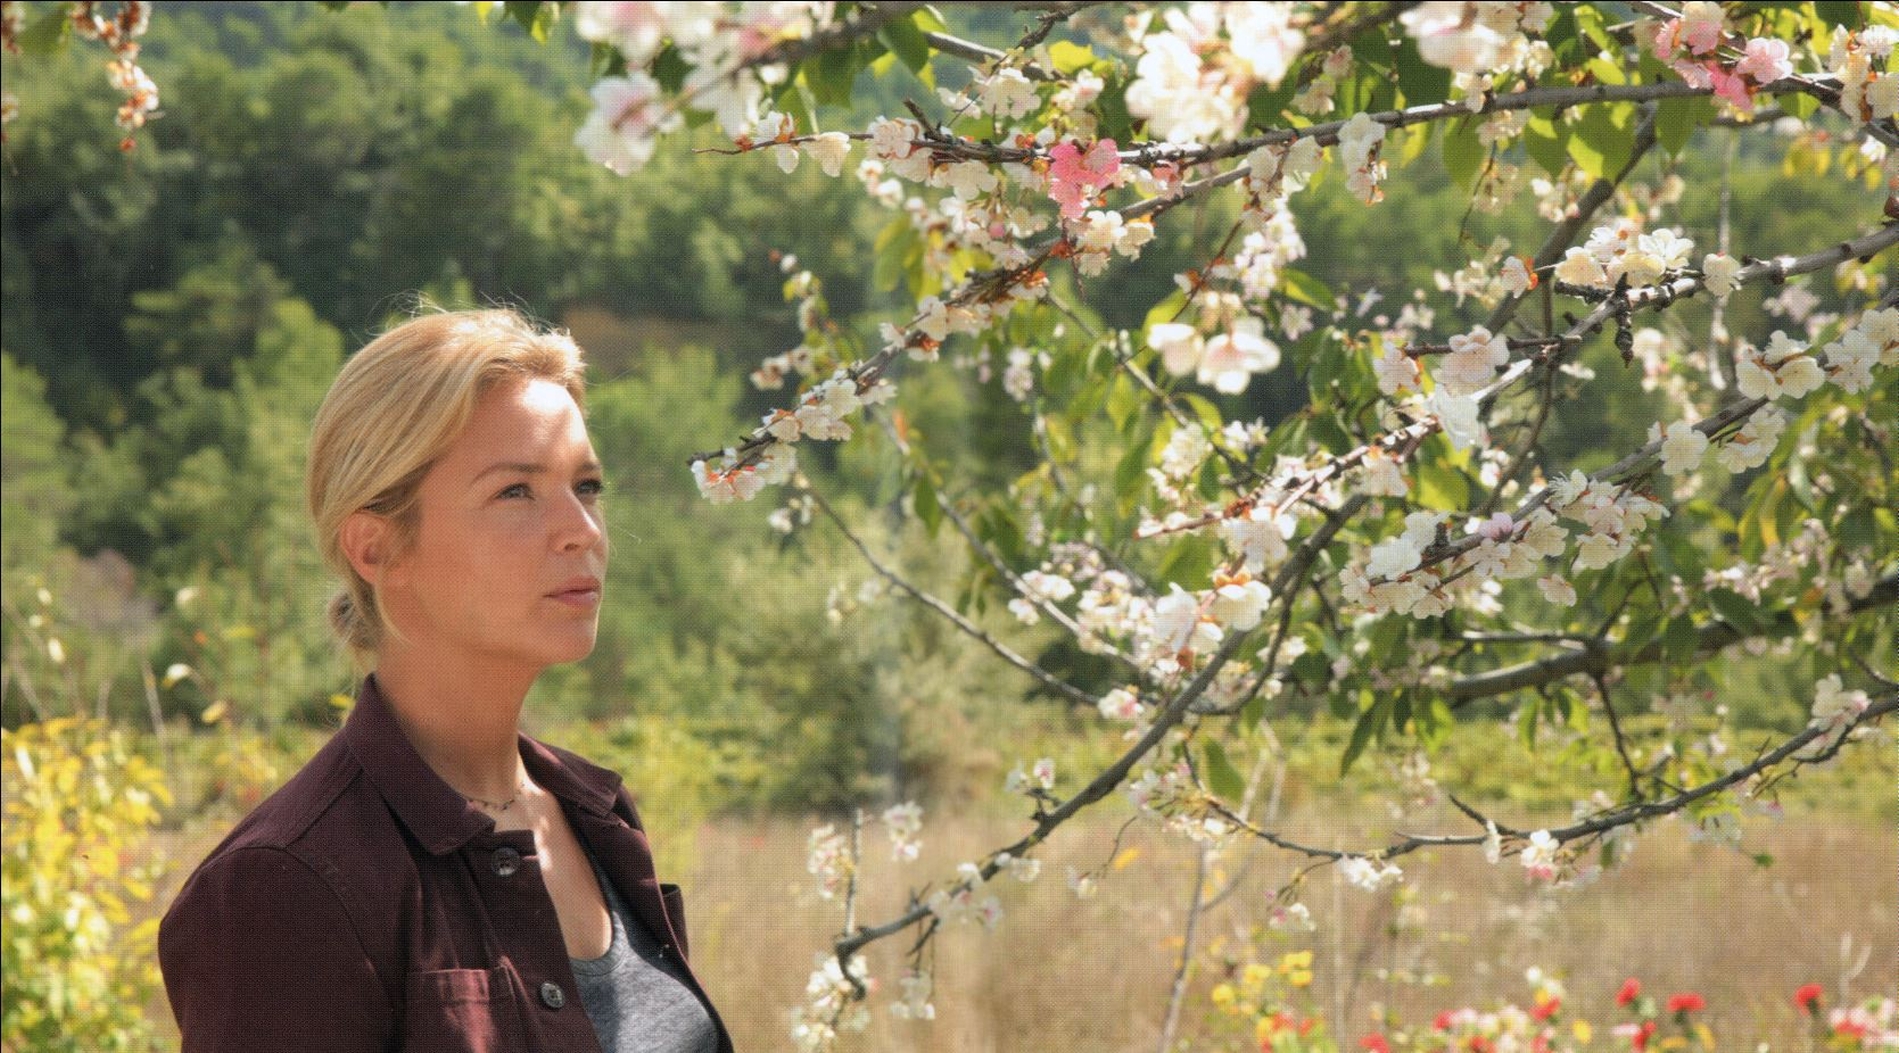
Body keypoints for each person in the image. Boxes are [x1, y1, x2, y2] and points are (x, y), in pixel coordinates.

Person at [159, 308, 732, 1053]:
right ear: (377, 547)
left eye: (587, 486)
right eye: (516, 491)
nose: (584, 530)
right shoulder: (284, 884)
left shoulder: (598, 815)